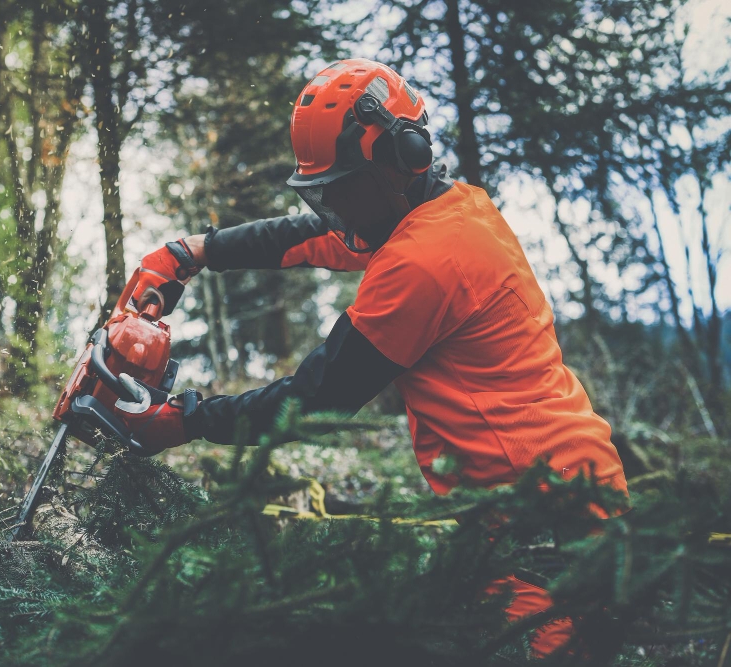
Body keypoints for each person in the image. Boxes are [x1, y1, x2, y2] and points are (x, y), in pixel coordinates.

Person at [115, 58, 627, 658]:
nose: (330, 205)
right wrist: (191, 253)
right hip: (546, 490)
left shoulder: (424, 261)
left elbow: (320, 395)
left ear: (400, 158)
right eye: (320, 190)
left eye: (339, 187)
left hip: (543, 513)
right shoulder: (447, 208)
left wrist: (186, 420)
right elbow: (308, 237)